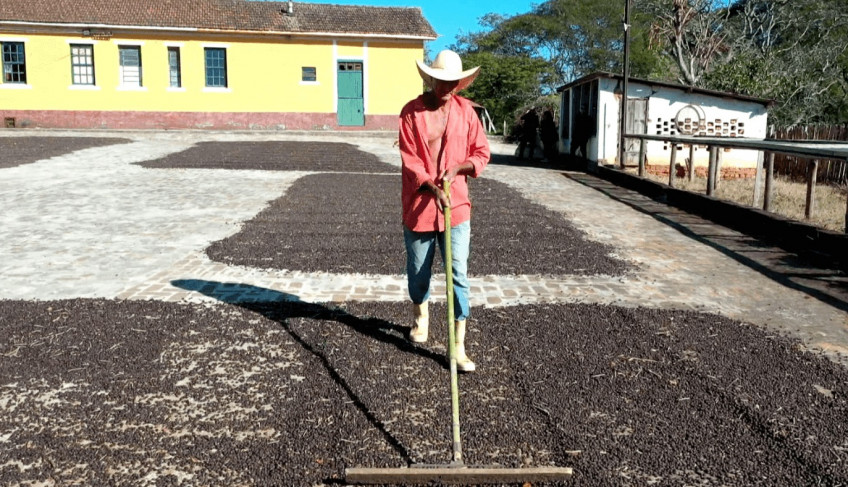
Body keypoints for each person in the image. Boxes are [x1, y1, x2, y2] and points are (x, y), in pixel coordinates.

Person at [398, 49, 490, 372]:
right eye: (442, 81)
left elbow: (481, 153)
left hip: (456, 208)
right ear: (431, 79)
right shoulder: (410, 113)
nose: (448, 88)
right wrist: (433, 188)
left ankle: (458, 346)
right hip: (421, 207)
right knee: (419, 271)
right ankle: (420, 317)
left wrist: (458, 169)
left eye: (454, 82)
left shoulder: (467, 113)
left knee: (458, 275)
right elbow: (410, 162)